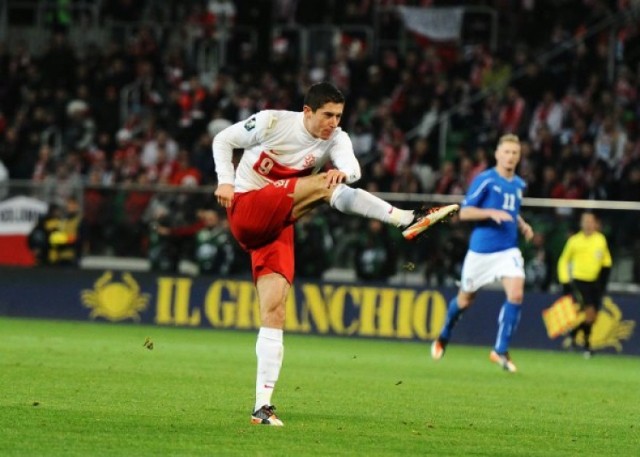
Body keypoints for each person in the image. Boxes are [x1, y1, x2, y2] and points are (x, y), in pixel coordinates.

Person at [212, 82, 458, 426]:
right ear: (307, 111)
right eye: (327, 114)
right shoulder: (272, 122)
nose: (333, 121)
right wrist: (225, 180)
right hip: (246, 209)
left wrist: (342, 172)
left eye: (339, 115)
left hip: (279, 225)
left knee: (274, 309)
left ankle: (261, 407)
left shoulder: (336, 138)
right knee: (323, 186)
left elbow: (353, 170)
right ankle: (405, 219)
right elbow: (223, 140)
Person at [430, 134, 534, 373]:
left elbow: (510, 210)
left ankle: (500, 350)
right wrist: (490, 214)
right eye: (506, 152)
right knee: (465, 300)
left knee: (516, 294)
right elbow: (465, 213)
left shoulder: (519, 184)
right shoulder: (485, 179)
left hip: (508, 249)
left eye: (514, 153)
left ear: (519, 157)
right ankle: (445, 333)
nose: (510, 156)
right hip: (481, 252)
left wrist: (522, 223)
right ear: (497, 154)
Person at [557, 211, 612, 358]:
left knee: (593, 317)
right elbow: (563, 260)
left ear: (596, 224)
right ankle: (588, 346)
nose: (587, 224)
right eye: (585, 221)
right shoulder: (574, 241)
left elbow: (606, 261)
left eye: (590, 221)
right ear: (581, 224)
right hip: (579, 281)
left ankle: (573, 334)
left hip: (595, 282)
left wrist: (603, 281)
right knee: (589, 313)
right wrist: (565, 281)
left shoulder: (600, 240)